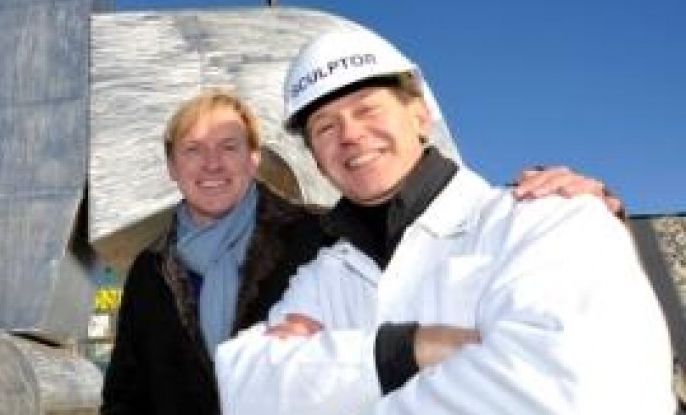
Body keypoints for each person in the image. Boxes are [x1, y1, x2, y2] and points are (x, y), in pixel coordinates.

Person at [215, 28, 673, 413]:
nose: (351, 135)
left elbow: (578, 392)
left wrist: (335, 381)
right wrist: (403, 351)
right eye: (326, 127)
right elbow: (246, 391)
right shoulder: (324, 274)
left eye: (368, 109)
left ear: (420, 116)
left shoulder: (550, 218)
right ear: (315, 158)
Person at [100, 89, 623, 414]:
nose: (212, 164)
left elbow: (427, 252)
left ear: (255, 159)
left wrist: (581, 205)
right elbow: (126, 392)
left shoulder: (319, 237)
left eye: (229, 147)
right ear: (172, 167)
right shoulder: (150, 268)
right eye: (193, 150)